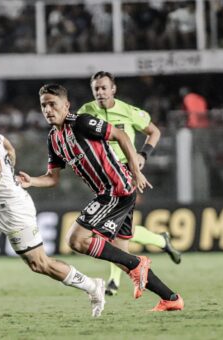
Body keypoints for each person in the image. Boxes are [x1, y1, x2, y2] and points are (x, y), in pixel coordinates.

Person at [17, 84, 183, 311]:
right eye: (43, 105)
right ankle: (170, 298)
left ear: (66, 106)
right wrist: (32, 182)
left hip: (116, 190)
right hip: (110, 192)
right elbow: (52, 178)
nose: (47, 109)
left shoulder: (82, 122)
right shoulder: (54, 139)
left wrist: (136, 171)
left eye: (52, 104)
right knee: (122, 257)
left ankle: (139, 264)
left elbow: (122, 135)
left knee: (75, 240)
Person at [0, 86, 106, 317]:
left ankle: (92, 286)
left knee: (40, 265)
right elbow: (7, 148)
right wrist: (9, 170)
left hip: (13, 209)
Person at [78, 71, 182, 296]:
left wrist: (144, 155)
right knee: (122, 233)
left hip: (125, 175)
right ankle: (159, 243)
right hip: (102, 177)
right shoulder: (85, 112)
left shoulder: (127, 111)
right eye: (96, 88)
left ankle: (115, 281)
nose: (100, 92)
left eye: (104, 87)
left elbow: (154, 131)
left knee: (108, 232)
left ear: (113, 89)